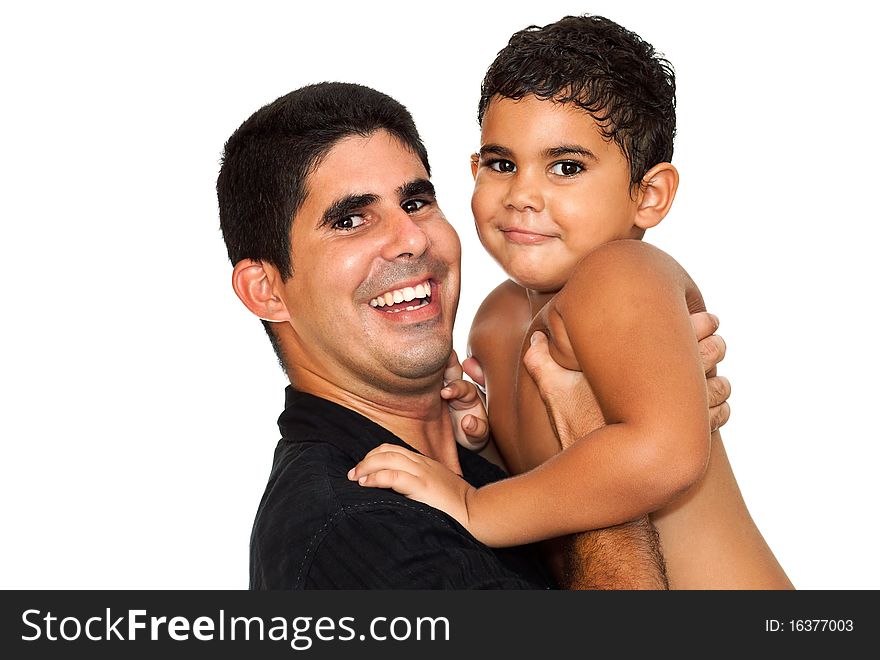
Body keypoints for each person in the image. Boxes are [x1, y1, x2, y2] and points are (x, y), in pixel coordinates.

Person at [217, 81, 730, 589]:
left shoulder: (472, 454)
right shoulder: (362, 531)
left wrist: (503, 444)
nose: (412, 239)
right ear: (265, 290)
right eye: (352, 219)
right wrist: (601, 445)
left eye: (416, 203)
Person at [351, 15, 792, 589]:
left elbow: (664, 455)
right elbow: (559, 491)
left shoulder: (622, 274)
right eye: (502, 164)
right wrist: (476, 442)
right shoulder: (495, 318)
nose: (523, 195)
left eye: (566, 168)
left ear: (649, 195)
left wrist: (475, 506)